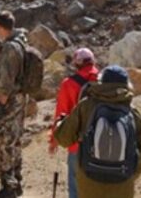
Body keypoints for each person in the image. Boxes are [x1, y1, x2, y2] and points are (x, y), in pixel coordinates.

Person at [53, 65, 141, 198]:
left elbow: (64, 138)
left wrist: (59, 123)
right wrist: (128, 174)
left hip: (89, 181)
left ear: (101, 82)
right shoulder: (132, 112)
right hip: (122, 185)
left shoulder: (86, 105)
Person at [49, 48, 99, 198]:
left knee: (75, 184)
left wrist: (54, 140)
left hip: (77, 143)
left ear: (77, 65)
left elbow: (61, 114)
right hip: (103, 141)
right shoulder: (104, 81)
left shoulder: (68, 84)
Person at [0, 10, 28, 198]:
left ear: (0, 26)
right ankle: (16, 181)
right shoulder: (21, 42)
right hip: (21, 98)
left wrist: (0, 103)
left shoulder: (9, 48)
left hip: (11, 100)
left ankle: (8, 186)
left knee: (3, 141)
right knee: (15, 139)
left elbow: (6, 80)